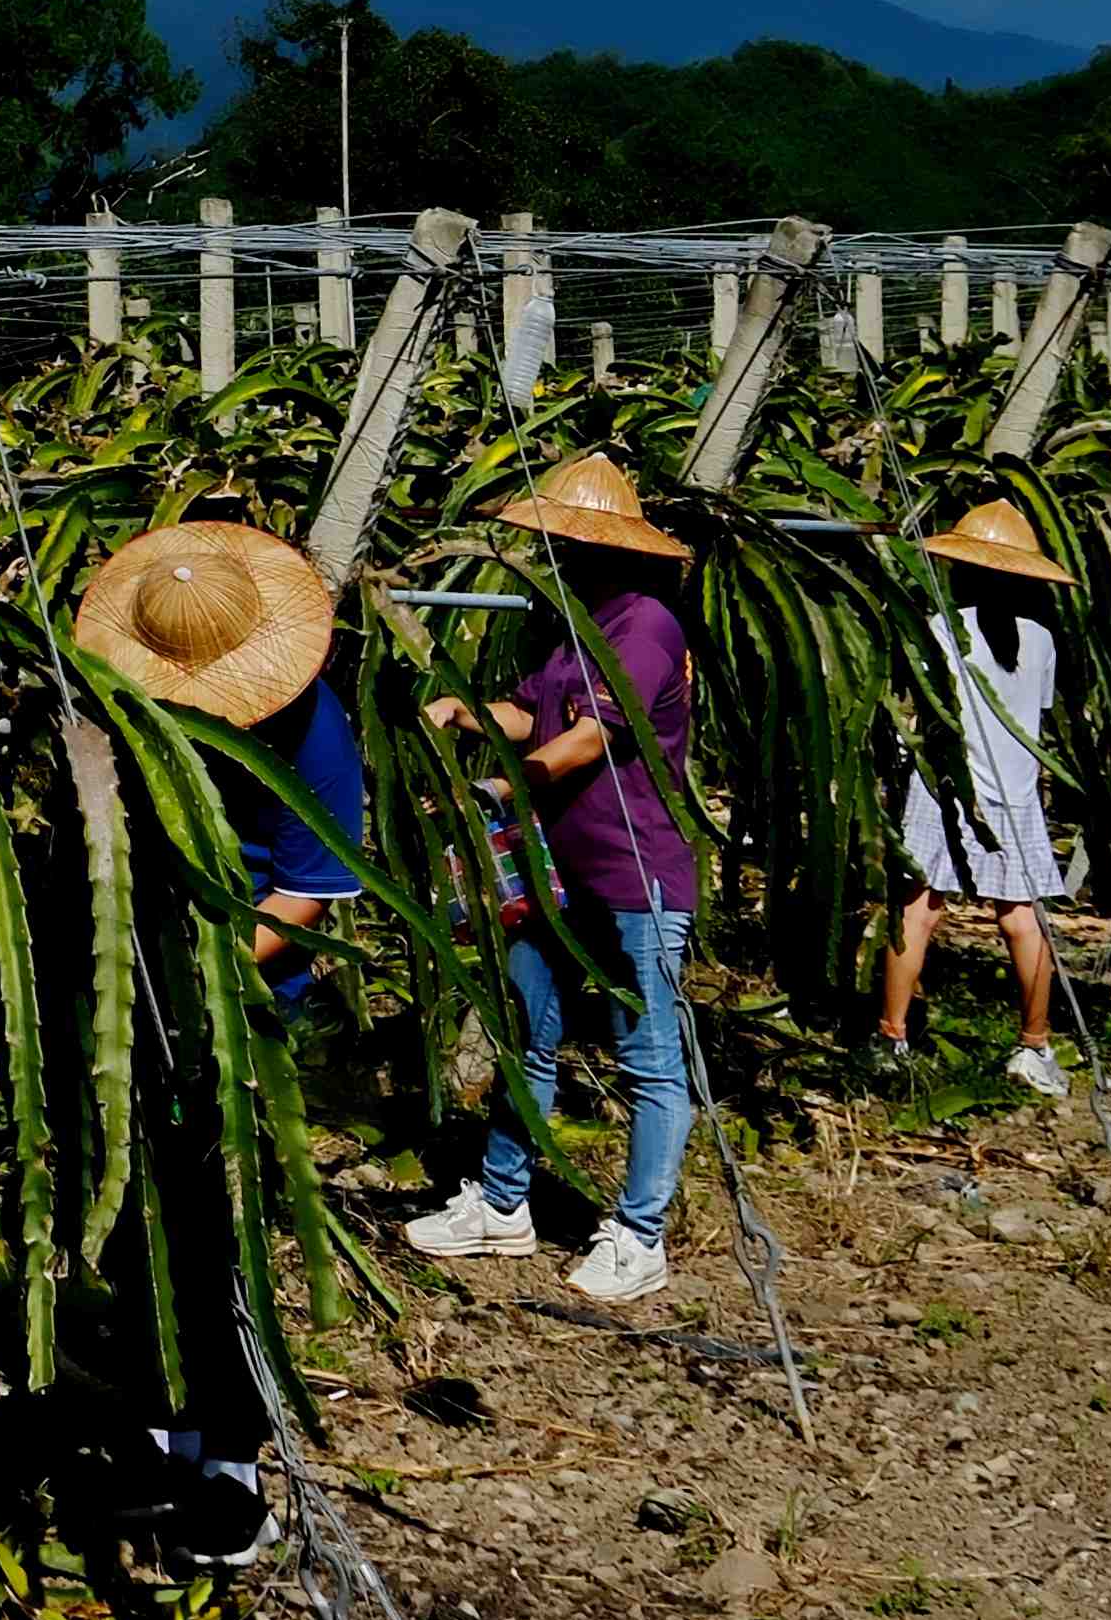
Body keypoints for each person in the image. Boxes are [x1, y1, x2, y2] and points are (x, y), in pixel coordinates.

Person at [406, 449, 705, 1307]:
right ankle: (503, 1203)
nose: (552, 555)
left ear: (609, 548)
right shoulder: (578, 626)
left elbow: (586, 742)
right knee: (526, 1031)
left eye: (562, 541)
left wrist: (493, 788)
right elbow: (532, 714)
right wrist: (464, 711)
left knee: (648, 1057)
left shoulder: (645, 625)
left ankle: (639, 1234)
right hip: (557, 873)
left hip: (635, 873)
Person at [72, 518, 368, 971]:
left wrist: (201, 973)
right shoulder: (120, 707)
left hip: (245, 970)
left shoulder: (316, 732)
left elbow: (304, 895)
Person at [879, 496, 1072, 1096]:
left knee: (918, 910)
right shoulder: (1040, 640)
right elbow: (1035, 714)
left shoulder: (938, 628)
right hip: (1014, 794)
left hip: (941, 787)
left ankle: (891, 1038)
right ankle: (1034, 1045)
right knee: (1021, 919)